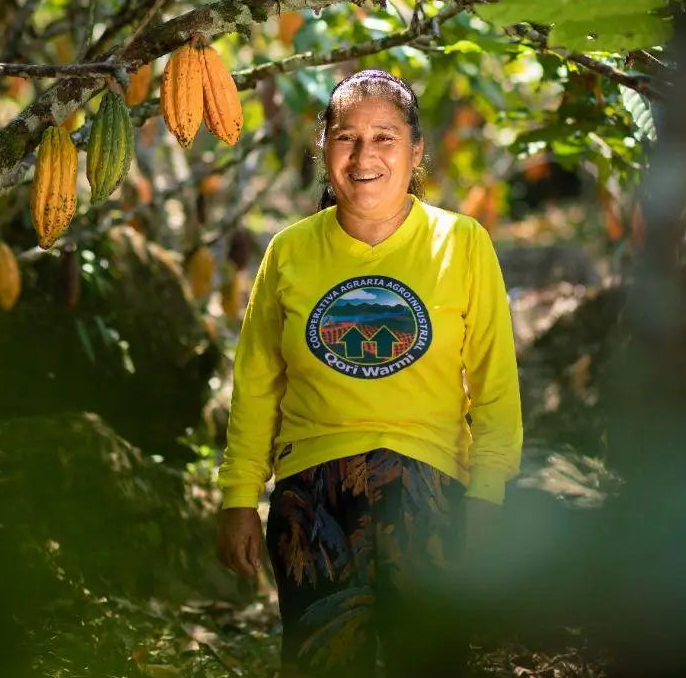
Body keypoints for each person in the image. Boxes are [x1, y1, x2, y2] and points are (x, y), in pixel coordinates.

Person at [215, 69, 523, 678]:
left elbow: (494, 382)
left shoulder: (461, 242)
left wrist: (489, 491)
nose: (364, 156)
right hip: (311, 491)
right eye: (346, 137)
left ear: (416, 151)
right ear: (323, 148)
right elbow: (255, 384)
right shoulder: (289, 251)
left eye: (384, 137)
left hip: (428, 484)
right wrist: (238, 497)